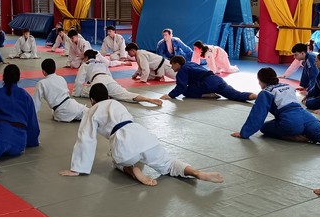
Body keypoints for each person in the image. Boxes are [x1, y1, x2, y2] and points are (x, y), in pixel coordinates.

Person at [59, 83, 225, 186]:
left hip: (123, 145)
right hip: (143, 136)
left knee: (117, 160)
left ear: (92, 100)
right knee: (168, 164)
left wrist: (77, 168)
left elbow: (86, 139)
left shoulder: (92, 110)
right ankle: (197, 173)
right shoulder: (116, 103)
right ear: (108, 96)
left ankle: (132, 170)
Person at [231, 68, 320, 150]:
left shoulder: (266, 92)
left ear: (261, 80)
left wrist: (244, 133)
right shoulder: (288, 86)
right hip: (307, 117)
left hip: (290, 123)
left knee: (265, 128)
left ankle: (294, 137)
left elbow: (258, 115)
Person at [74, 50, 162, 106]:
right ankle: (148, 99)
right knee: (126, 94)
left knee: (82, 90)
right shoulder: (102, 63)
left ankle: (107, 96)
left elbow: (79, 81)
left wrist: (76, 93)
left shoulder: (85, 65)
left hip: (98, 82)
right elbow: (109, 75)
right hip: (109, 80)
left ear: (86, 58)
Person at [161, 56, 255, 102]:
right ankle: (257, 96)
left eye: (172, 64)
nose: (172, 67)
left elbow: (181, 87)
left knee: (185, 91)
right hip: (217, 80)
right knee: (236, 94)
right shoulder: (190, 64)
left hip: (207, 83)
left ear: (177, 63)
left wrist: (170, 95)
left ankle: (207, 95)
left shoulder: (182, 70)